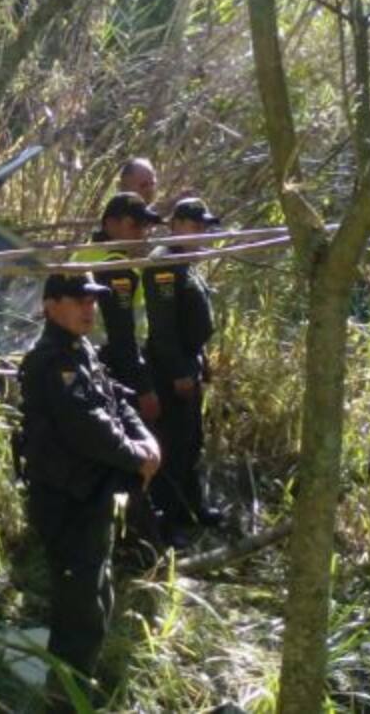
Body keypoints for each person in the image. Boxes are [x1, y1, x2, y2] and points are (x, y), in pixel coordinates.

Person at [17, 272, 161, 709]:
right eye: (78, 300)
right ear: (51, 304)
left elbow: (116, 399)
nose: (88, 308)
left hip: (89, 496)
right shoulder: (52, 360)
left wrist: (146, 442)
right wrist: (138, 458)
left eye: (93, 300)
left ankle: (78, 689)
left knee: (95, 598)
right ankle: (66, 700)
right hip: (65, 500)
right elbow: (88, 427)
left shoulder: (80, 352)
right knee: (80, 612)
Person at [143, 198, 224, 544]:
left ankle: (192, 508)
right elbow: (162, 328)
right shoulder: (164, 264)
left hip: (188, 362)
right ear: (175, 224)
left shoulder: (187, 264)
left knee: (191, 442)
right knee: (172, 446)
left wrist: (200, 360)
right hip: (167, 370)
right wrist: (179, 372)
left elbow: (192, 322)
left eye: (204, 226)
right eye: (195, 225)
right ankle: (165, 522)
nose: (202, 232)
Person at [73, 192, 162, 423]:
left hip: (84, 358)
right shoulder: (116, 267)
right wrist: (144, 388)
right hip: (113, 365)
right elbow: (121, 333)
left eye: (144, 227)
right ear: (110, 224)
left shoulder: (87, 252)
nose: (141, 235)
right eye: (134, 226)